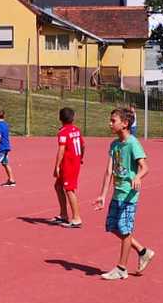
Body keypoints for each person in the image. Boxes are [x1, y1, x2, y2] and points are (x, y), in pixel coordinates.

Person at [94, 108, 155, 280]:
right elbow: (108, 171)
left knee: (125, 229)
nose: (110, 123)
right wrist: (102, 195)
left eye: (113, 121)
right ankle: (143, 251)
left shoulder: (132, 143)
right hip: (117, 193)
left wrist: (138, 176)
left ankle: (121, 268)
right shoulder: (114, 145)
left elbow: (145, 167)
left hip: (129, 195)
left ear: (125, 123)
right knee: (113, 226)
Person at [52, 106, 84, 227]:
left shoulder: (63, 132)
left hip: (68, 164)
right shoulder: (77, 130)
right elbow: (83, 145)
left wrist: (56, 166)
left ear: (60, 118)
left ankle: (76, 218)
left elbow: (61, 150)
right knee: (58, 186)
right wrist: (81, 157)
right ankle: (63, 214)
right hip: (74, 162)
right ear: (73, 118)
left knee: (69, 189)